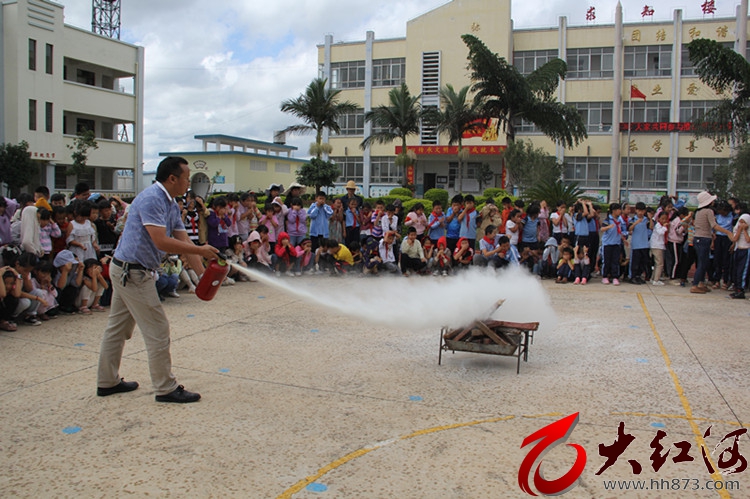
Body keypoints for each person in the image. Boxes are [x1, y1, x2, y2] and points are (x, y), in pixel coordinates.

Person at [97, 156, 219, 404]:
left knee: (117, 329)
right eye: (186, 178)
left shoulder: (172, 204)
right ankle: (165, 388)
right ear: (172, 178)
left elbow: (184, 242)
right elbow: (161, 241)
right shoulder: (153, 198)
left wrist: (205, 277)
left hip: (128, 270)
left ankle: (107, 382)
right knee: (157, 329)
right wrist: (201, 251)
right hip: (132, 272)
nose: (189, 184)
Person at [690, 191, 733, 294]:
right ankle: (696, 284)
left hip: (698, 238)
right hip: (704, 239)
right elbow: (714, 225)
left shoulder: (699, 212)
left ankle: (700, 283)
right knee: (703, 263)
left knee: (703, 262)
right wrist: (727, 232)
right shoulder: (709, 211)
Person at [600, 203, 623, 285]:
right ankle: (605, 276)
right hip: (607, 243)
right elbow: (602, 229)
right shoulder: (608, 220)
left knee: (615, 261)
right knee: (607, 261)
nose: (620, 211)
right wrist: (608, 227)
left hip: (616, 243)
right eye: (618, 209)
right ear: (614, 211)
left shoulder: (619, 220)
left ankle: (615, 277)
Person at [728, 213, 750, 299]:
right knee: (736, 270)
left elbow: (748, 240)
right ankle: (736, 288)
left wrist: (744, 230)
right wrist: (740, 229)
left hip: (746, 250)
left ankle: (741, 290)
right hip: (738, 249)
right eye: (740, 222)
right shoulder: (737, 228)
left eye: (743, 222)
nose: (741, 224)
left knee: (742, 271)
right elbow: (734, 238)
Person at [650, 211, 669, 286]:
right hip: (657, 246)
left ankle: (653, 278)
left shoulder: (660, 225)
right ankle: (656, 280)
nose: (664, 220)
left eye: (665, 219)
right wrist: (664, 227)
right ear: (659, 219)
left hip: (658, 245)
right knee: (660, 264)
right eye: (662, 219)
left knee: (657, 263)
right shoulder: (658, 225)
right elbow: (660, 232)